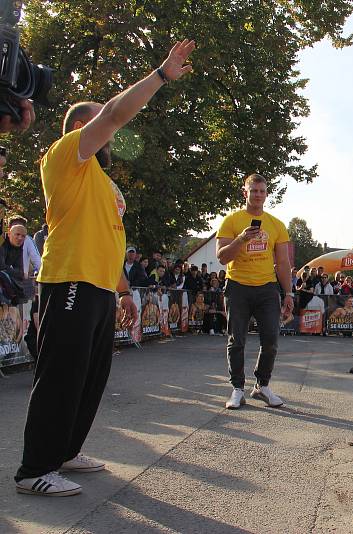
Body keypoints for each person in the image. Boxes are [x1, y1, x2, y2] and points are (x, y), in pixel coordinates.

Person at [13, 39, 194, 497]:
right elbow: (114, 113)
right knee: (61, 375)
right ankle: (34, 468)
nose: (113, 131)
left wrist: (125, 291)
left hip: (99, 285)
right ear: (81, 125)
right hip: (68, 278)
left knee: (90, 376)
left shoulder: (104, 180)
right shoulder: (64, 157)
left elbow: (111, 238)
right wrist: (160, 75)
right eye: (101, 122)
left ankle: (66, 451)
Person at [216, 173, 294, 410]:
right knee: (236, 340)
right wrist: (241, 239)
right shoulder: (231, 220)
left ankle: (262, 385)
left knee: (270, 339)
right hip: (238, 286)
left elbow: (282, 263)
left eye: (262, 191)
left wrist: (289, 294)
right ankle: (237, 389)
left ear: (266, 194)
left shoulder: (277, 225)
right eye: (254, 191)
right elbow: (221, 257)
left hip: (267, 288)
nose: (258, 195)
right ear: (245, 193)